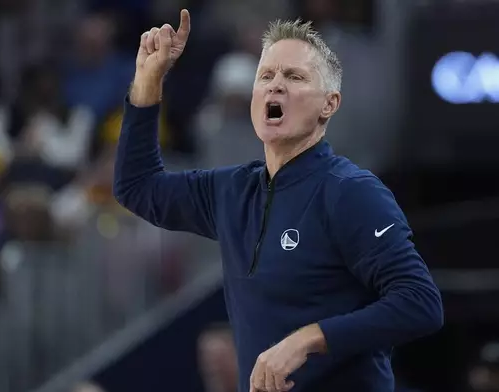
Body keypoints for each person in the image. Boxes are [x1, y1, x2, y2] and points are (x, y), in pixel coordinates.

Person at [113, 10, 443, 392]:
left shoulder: (351, 191)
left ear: (329, 105)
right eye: (265, 75)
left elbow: (420, 302)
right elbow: (137, 187)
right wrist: (149, 79)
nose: (275, 86)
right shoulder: (232, 191)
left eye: (295, 76)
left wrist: (307, 339)